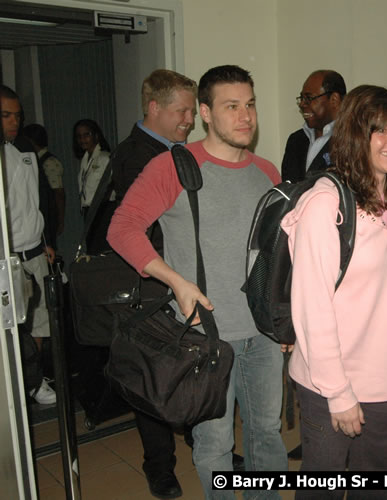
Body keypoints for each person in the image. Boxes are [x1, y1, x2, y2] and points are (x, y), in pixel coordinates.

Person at [108, 64, 288, 499]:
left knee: (266, 434)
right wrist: (175, 281)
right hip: (204, 337)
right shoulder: (172, 166)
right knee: (214, 443)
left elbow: (281, 253)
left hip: (263, 333)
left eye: (249, 105)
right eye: (231, 106)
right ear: (205, 113)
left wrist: (288, 318)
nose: (245, 116)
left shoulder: (267, 171)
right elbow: (123, 228)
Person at [281, 85, 387, 499]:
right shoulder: (324, 205)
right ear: (353, 135)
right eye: (379, 130)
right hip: (332, 380)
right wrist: (339, 393)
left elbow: (378, 272)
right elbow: (311, 309)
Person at [108, 68, 197, 500]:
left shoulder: (178, 151)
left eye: (193, 111)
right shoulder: (136, 156)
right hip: (153, 284)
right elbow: (139, 229)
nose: (190, 120)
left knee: (192, 367)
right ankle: (160, 467)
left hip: (181, 280)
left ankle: (203, 442)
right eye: (182, 111)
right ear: (154, 108)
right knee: (154, 376)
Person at [1, 84, 57, 405]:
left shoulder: (24, 148)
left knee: (38, 321)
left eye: (17, 116)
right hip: (7, 256)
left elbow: (42, 198)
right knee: (13, 325)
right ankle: (15, 384)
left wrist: (48, 241)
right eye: (5, 115)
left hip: (34, 248)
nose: (14, 122)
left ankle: (34, 381)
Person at [281, 70, 346, 183]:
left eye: (309, 98)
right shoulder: (295, 140)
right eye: (301, 98)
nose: (302, 104)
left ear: (334, 100)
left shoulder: (352, 139)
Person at [73, 118, 112, 252]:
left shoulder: (104, 158)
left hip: (102, 211)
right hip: (89, 212)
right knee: (91, 249)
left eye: (86, 135)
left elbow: (109, 189)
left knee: (101, 250)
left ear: (96, 135)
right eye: (79, 136)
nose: (82, 139)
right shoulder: (85, 160)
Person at [21, 123, 65, 236]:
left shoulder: (49, 162)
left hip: (48, 216)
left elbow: (58, 193)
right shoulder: (33, 160)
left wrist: (60, 221)